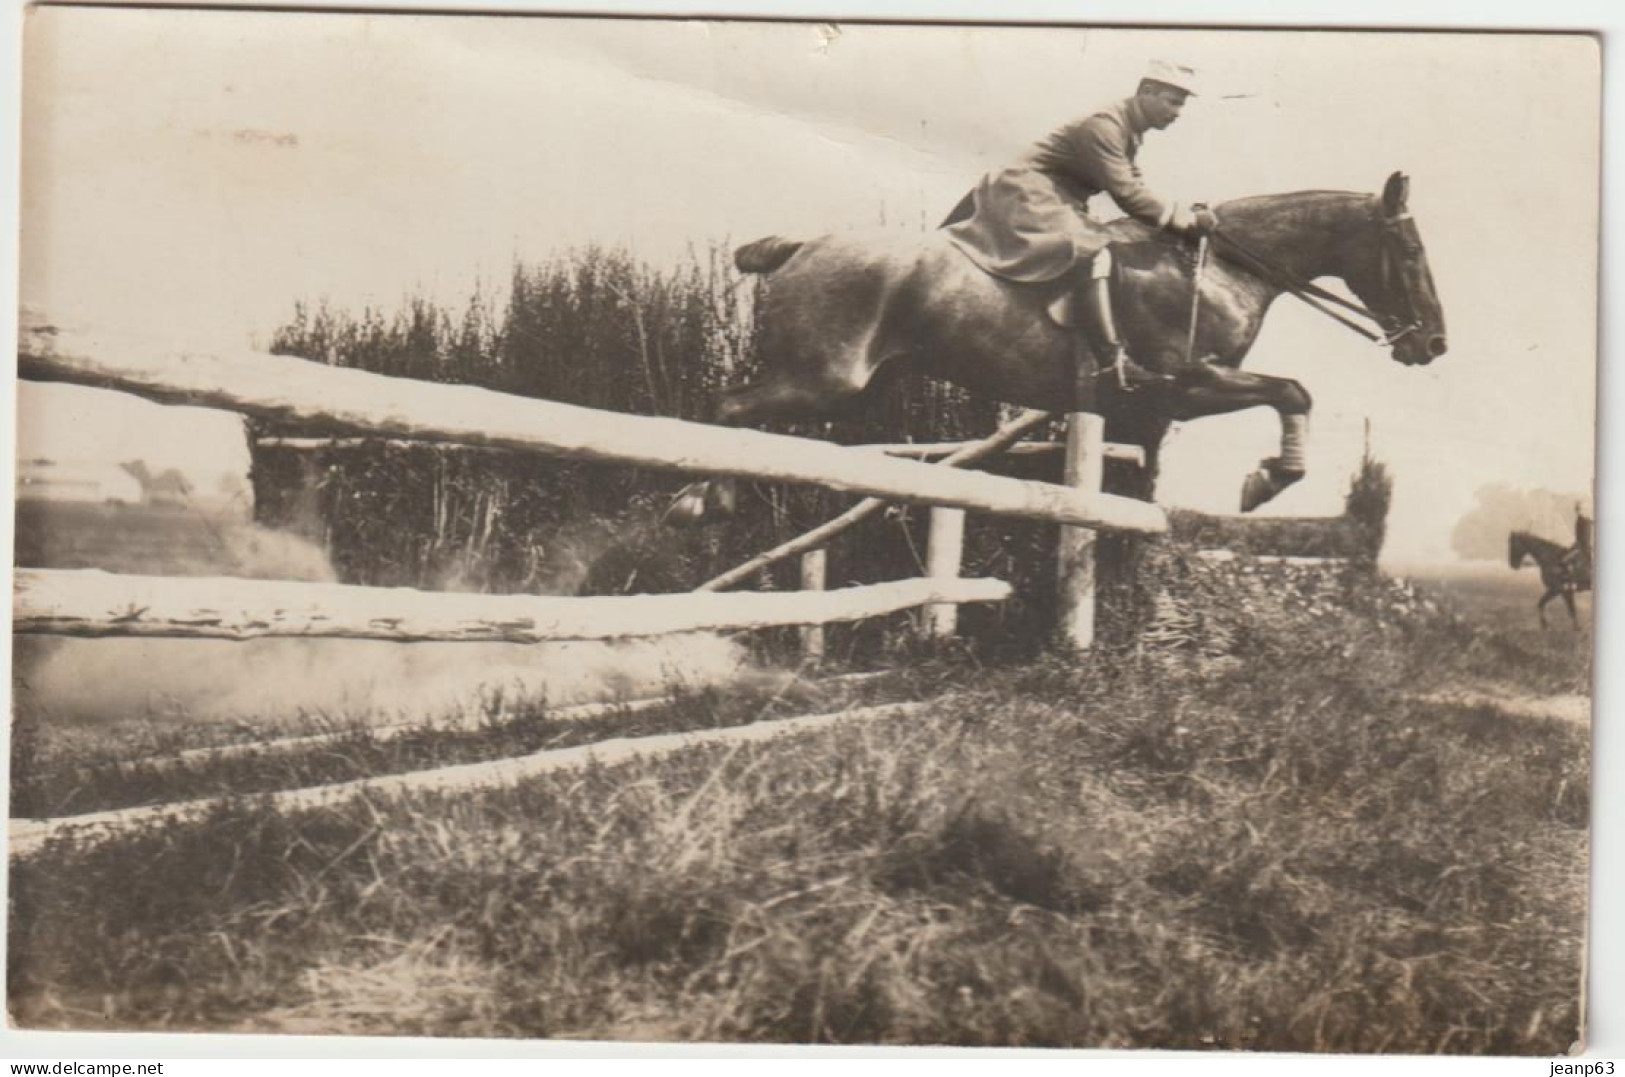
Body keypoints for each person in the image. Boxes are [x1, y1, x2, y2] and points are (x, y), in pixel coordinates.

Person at [941, 61, 1218, 391]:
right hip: (1027, 192)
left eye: (1182, 103)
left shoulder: (1127, 128)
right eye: (1173, 101)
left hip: (1055, 196)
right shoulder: (1104, 126)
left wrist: (1179, 212)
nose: (1178, 112)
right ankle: (1112, 361)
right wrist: (1183, 219)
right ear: (1146, 93)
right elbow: (1127, 193)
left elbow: (1132, 181)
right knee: (1094, 251)